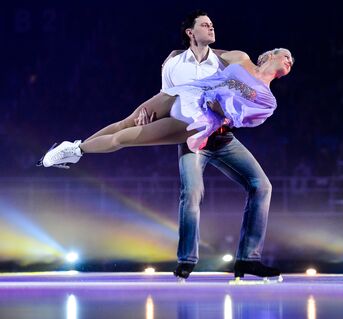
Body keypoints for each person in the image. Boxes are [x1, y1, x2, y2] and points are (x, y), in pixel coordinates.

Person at [39, 11, 294, 279]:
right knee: (131, 130)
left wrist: (219, 102)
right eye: (286, 54)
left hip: (210, 130)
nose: (290, 60)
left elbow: (238, 116)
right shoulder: (238, 58)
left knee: (261, 185)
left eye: (291, 60)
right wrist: (175, 58)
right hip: (185, 104)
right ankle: (75, 149)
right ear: (269, 55)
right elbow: (200, 55)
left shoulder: (267, 101)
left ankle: (247, 260)